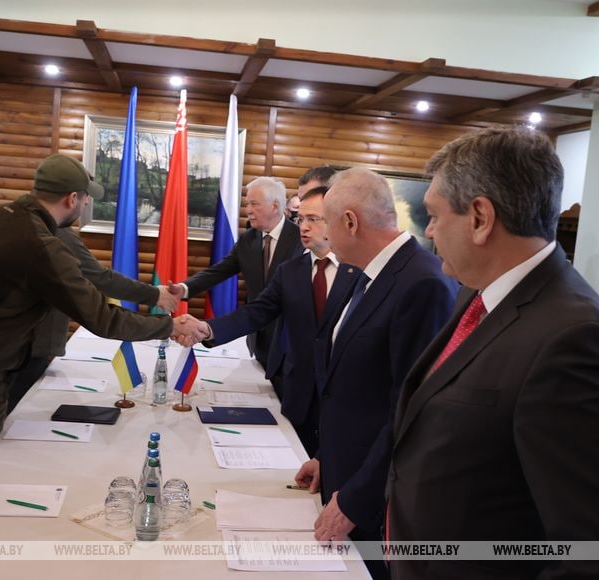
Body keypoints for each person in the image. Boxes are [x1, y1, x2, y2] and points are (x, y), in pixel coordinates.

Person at [386, 126, 599, 579]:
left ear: (480, 217)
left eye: (434, 215)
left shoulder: (574, 339)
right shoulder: (477, 294)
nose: (429, 230)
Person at [0, 154, 205, 512]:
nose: (86, 205)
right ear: (73, 198)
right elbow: (102, 317)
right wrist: (169, 325)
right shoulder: (42, 245)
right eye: (86, 198)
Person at [293, 168, 457, 580]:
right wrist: (327, 457)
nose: (323, 234)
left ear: (350, 222)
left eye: (326, 221)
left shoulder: (422, 283)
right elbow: (355, 385)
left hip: (375, 500)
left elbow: (409, 411)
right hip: (345, 475)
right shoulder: (364, 272)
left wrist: (356, 498)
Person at [192, 187, 360, 456]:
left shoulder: (360, 272)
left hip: (343, 399)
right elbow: (257, 312)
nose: (303, 227)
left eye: (313, 219)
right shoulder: (291, 271)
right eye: (300, 219)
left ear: (337, 220)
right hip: (297, 392)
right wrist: (208, 329)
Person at [7, 226, 181, 411]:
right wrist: (155, 297)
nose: (84, 208)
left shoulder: (23, 224)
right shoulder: (57, 234)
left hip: (19, 340)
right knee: (18, 409)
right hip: (29, 344)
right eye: (83, 205)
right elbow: (100, 279)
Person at [176, 176, 302, 372]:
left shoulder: (301, 240)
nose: (248, 210)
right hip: (256, 337)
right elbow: (219, 271)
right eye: (247, 204)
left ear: (275, 206)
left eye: (254, 204)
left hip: (287, 342)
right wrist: (183, 288)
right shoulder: (247, 240)